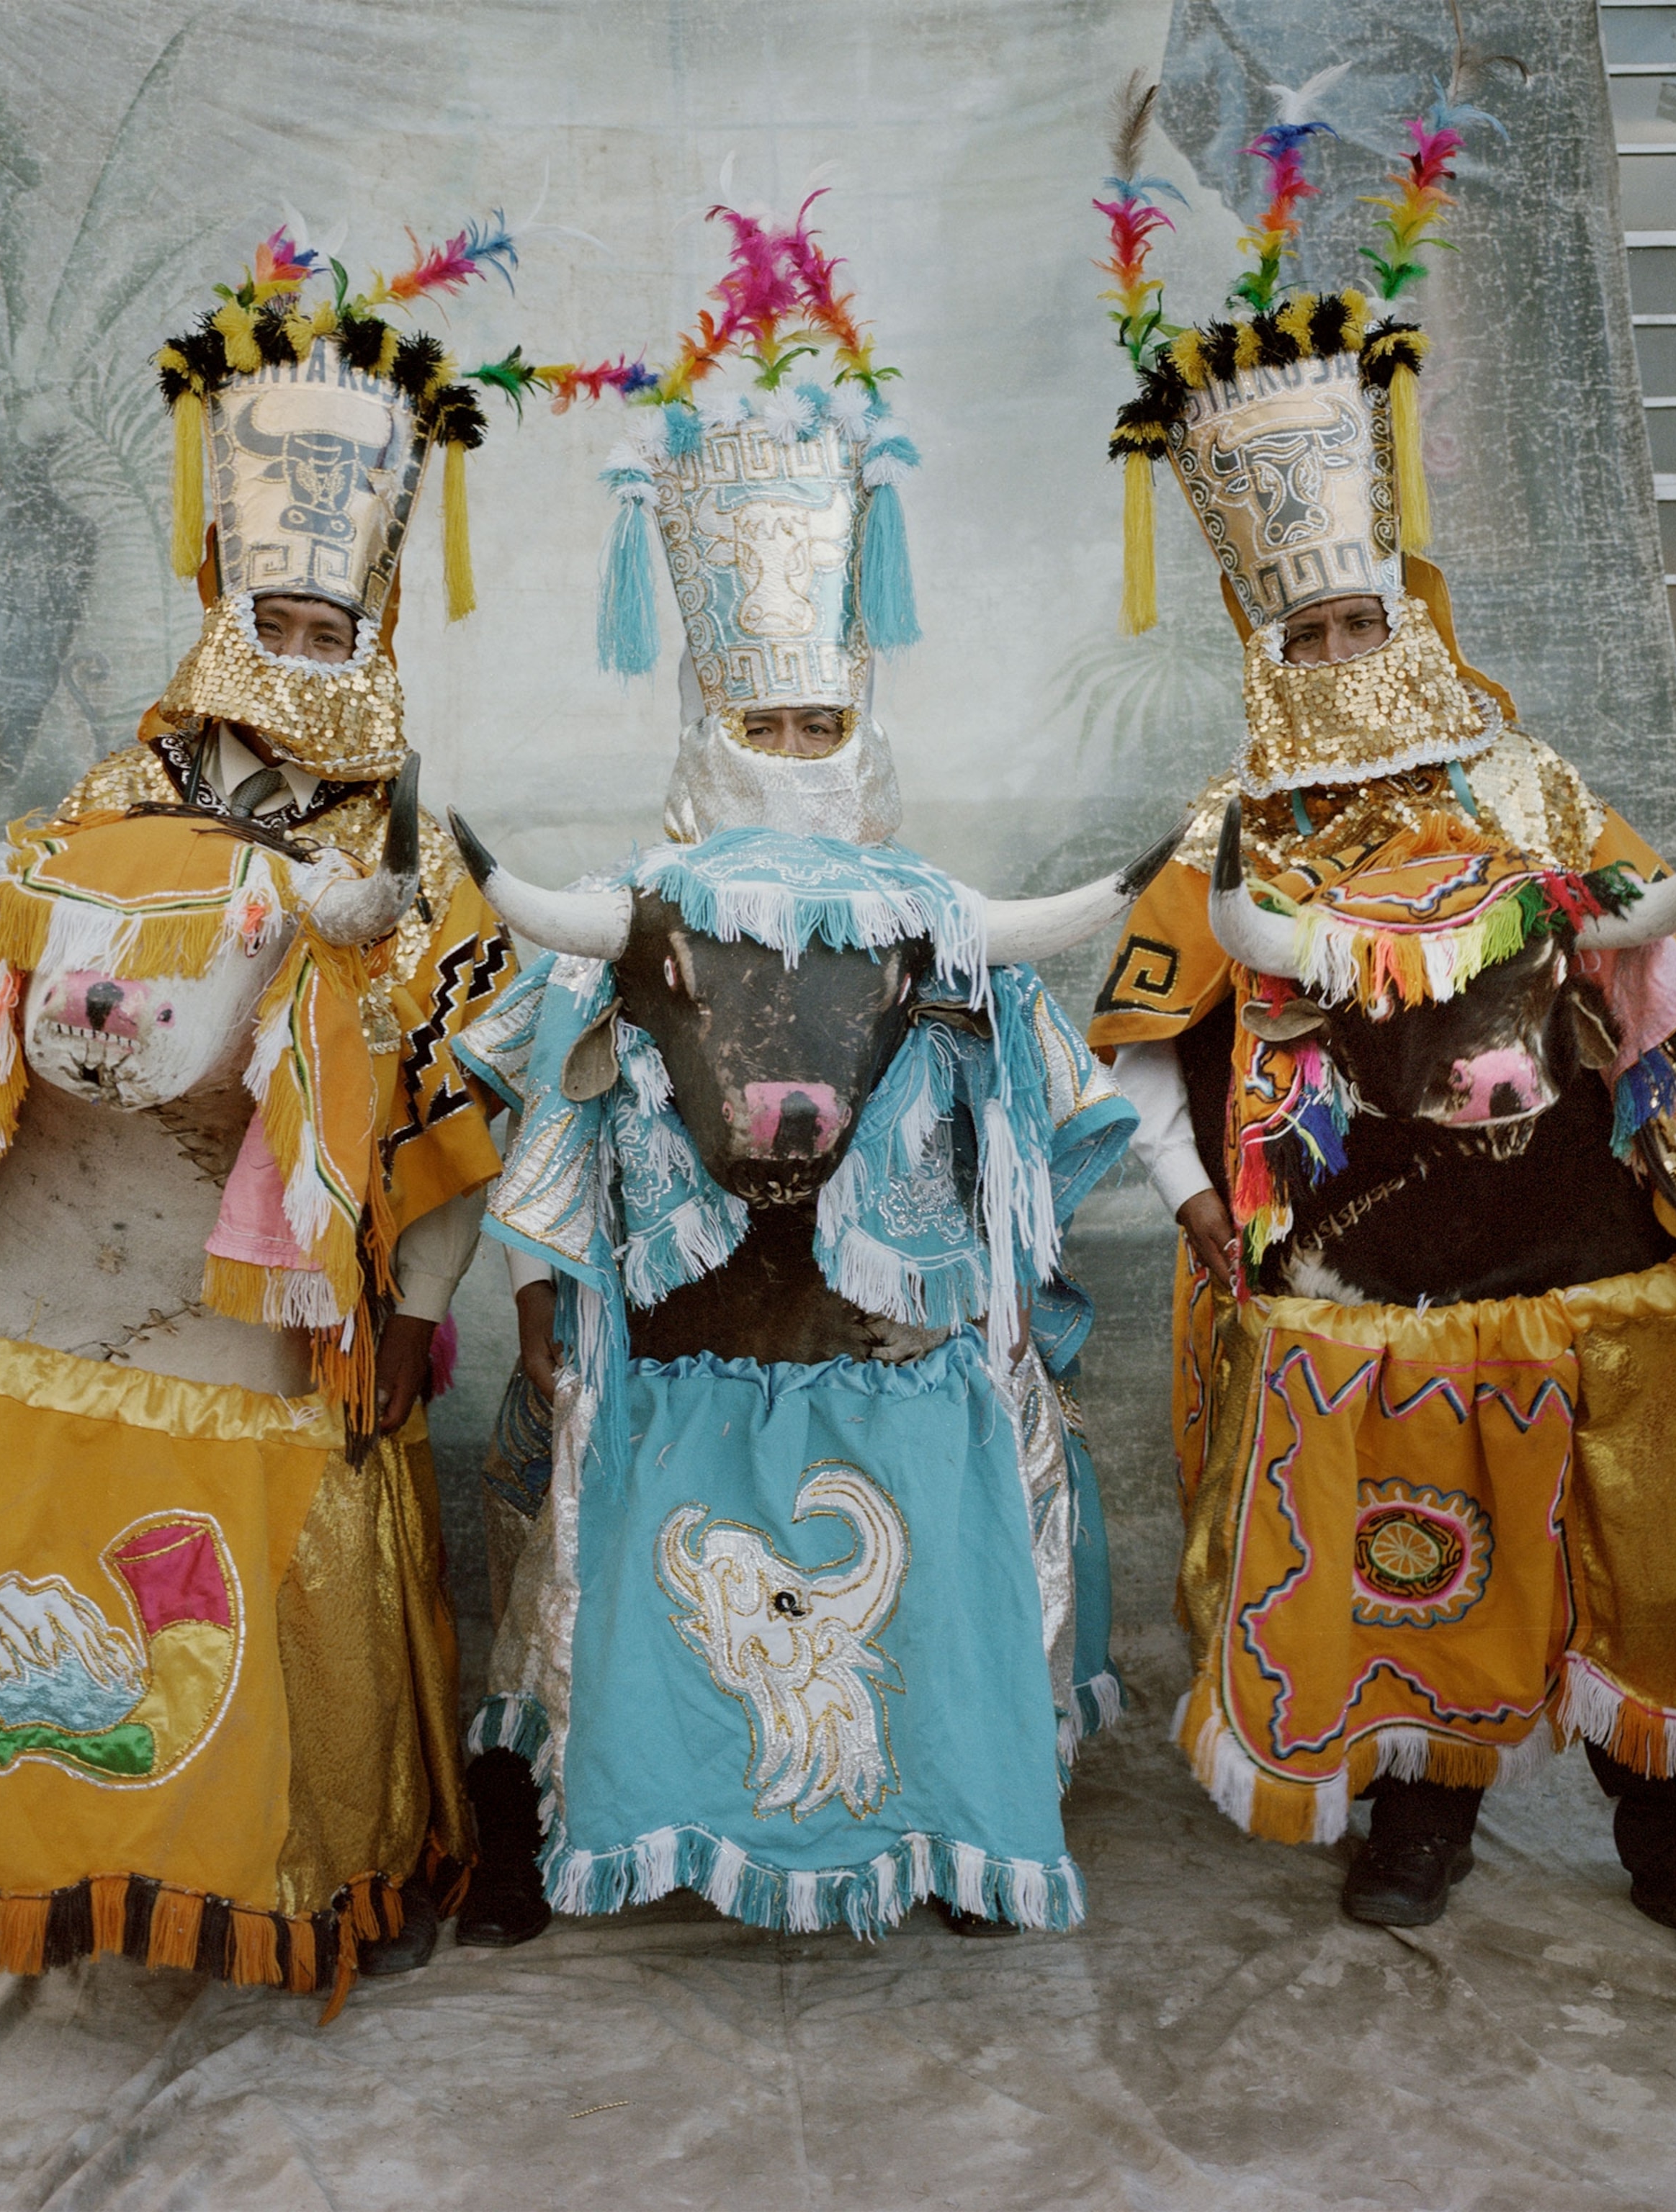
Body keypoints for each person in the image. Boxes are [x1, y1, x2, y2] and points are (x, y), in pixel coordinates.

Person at [1085, 83, 1676, 1971]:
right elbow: (1149, 1046)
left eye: (1359, 615)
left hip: (1585, 1253)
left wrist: (1622, 998)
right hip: (1384, 1285)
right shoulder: (1218, 846)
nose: (1339, 651)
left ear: (1408, 593)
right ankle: (1424, 1802)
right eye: (1302, 634)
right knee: (1423, 1549)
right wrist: (1202, 1213)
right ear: (1260, 635)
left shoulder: (1537, 791)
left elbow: (1666, 974)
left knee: (1658, 1552)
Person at [0, 219, 532, 2005]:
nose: (289, 644)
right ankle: (50, 1838)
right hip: (68, 1290)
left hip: (283, 1320)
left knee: (296, 1544)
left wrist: (418, 1313)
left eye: (320, 617)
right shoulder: (92, 813)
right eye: (266, 611)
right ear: (219, 595)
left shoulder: (411, 860)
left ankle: (301, 1855)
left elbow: (470, 1081)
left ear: (371, 619)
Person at [445, 199, 1157, 1945]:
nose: (787, 755)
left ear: (865, 719)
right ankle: (613, 1796)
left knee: (970, 1432)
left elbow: (1036, 1167)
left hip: (892, 1360)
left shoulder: (941, 919)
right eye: (757, 724)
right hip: (681, 1357)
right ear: (703, 717)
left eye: (815, 724)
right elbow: (551, 1146)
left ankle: (952, 1815)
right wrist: (549, 1311)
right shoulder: (621, 923)